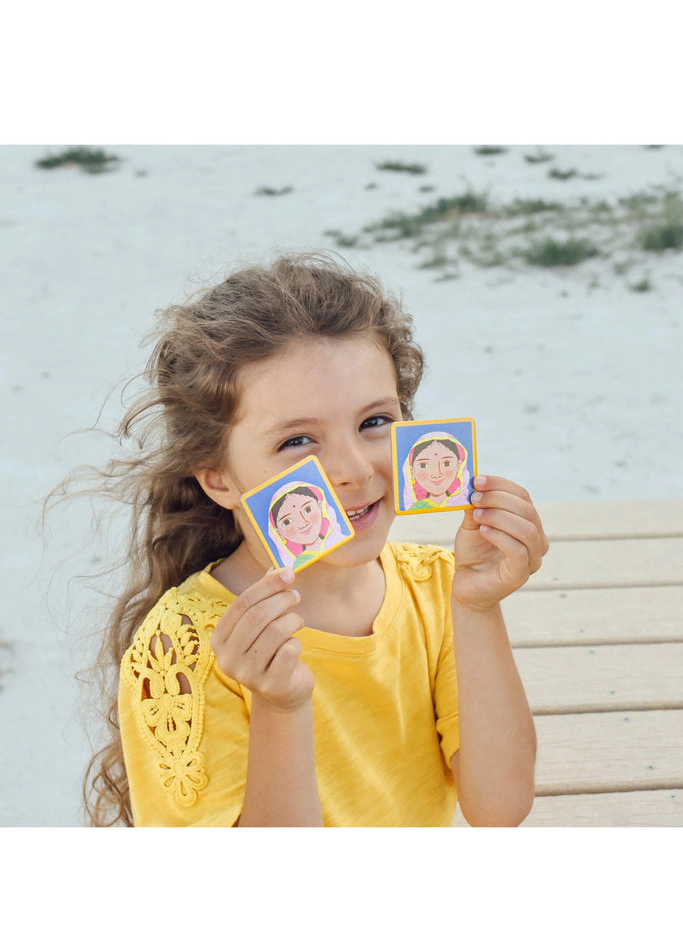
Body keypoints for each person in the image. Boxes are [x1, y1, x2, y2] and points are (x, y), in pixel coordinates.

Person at [74, 252, 548, 827]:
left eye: (375, 422)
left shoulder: (438, 587)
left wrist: (477, 607)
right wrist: (280, 707)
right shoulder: (182, 650)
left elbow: (500, 806)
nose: (352, 468)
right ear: (219, 477)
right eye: (298, 440)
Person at [267, 481, 347, 570]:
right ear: (279, 533)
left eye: (308, 509)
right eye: (287, 522)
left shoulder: (343, 542)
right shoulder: (297, 565)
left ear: (320, 507)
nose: (303, 523)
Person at [403, 431, 470, 510]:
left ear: (459, 467)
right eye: (423, 465)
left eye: (446, 463)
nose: (436, 474)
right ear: (411, 472)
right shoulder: (415, 510)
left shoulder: (465, 508)